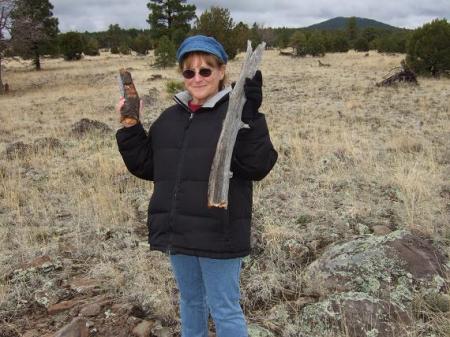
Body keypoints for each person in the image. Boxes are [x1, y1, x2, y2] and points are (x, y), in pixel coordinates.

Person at [115, 35, 277, 337]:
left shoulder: (235, 115)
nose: (197, 77)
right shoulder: (170, 118)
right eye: (189, 71)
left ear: (221, 71)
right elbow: (150, 167)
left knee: (225, 308)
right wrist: (130, 128)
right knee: (190, 302)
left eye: (206, 70)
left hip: (220, 231)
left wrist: (251, 115)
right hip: (180, 232)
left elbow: (258, 166)